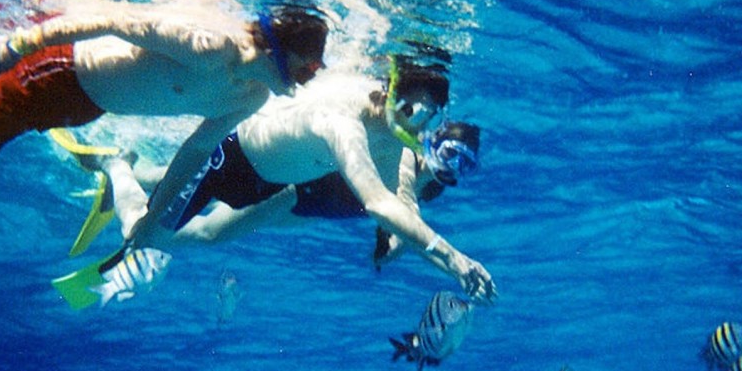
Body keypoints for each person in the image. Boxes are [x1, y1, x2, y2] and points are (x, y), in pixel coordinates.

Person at [0, 3, 328, 255]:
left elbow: (197, 150)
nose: (314, 76)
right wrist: (17, 43)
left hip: (84, 103)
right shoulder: (209, 47)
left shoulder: (251, 95)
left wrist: (156, 215)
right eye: (310, 66)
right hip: (59, 73)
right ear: (280, 50)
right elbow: (112, 21)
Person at [58, 59, 496, 304]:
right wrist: (456, 260)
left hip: (267, 180)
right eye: (415, 115)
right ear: (394, 92)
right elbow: (380, 203)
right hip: (228, 158)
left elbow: (401, 211)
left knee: (195, 229)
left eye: (430, 121)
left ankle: (129, 171)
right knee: (142, 238)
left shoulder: (393, 137)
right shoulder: (343, 124)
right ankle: (116, 165)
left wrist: (457, 269)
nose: (419, 131)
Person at [70, 119, 480, 269]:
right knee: (203, 229)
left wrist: (404, 240)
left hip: (296, 208)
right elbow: (395, 199)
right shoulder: (401, 155)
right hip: (283, 192)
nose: (449, 167)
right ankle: (117, 168)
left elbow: (382, 252)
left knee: (175, 185)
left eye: (462, 164)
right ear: (432, 139)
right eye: (449, 153)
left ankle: (122, 164)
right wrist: (422, 240)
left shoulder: (429, 195)